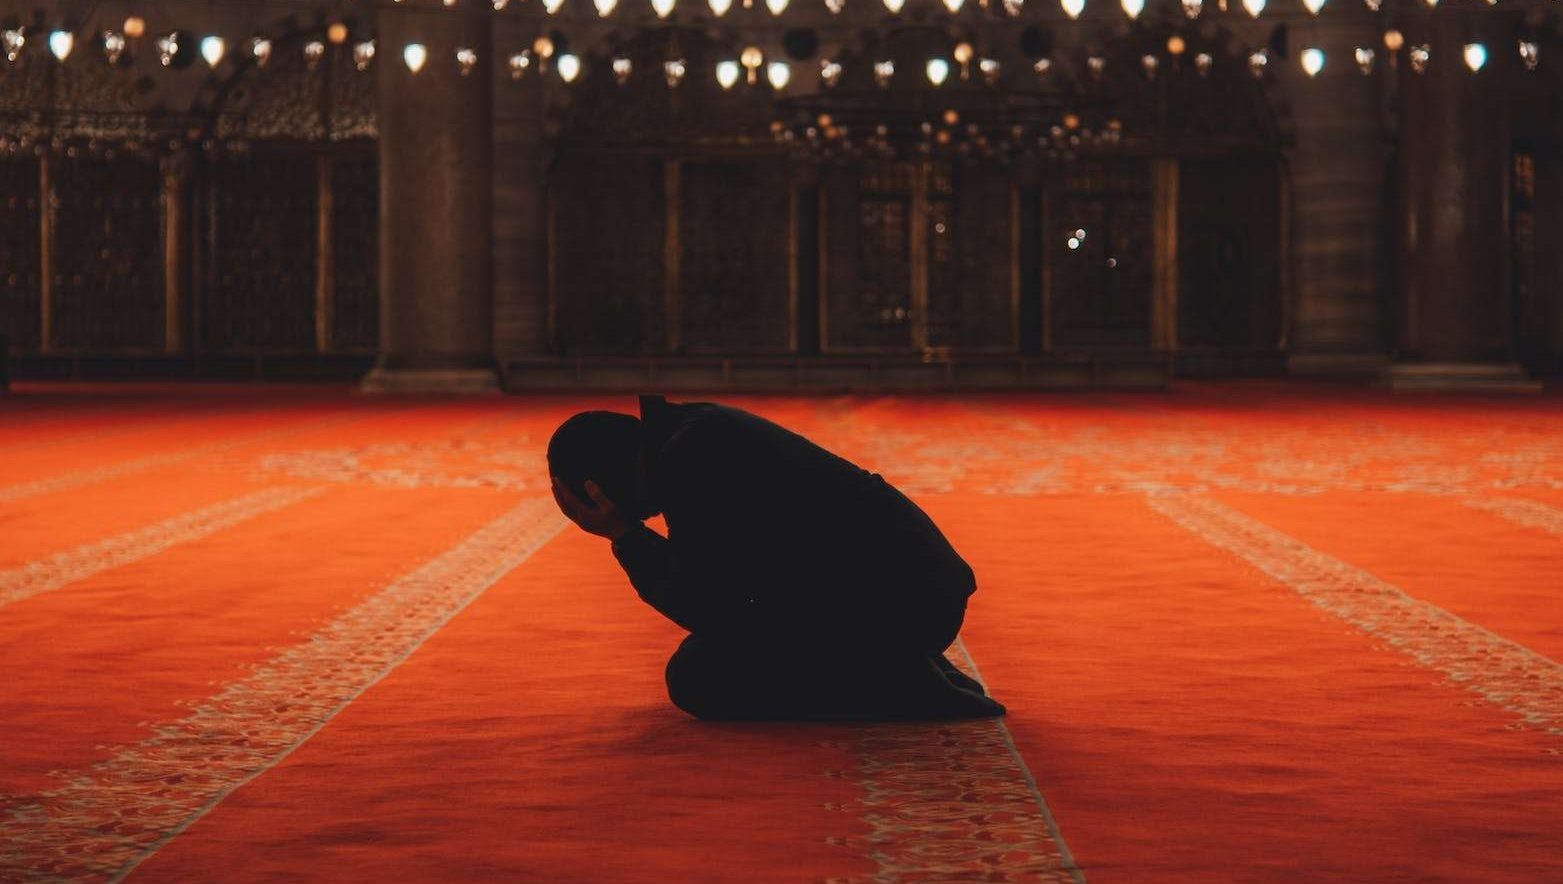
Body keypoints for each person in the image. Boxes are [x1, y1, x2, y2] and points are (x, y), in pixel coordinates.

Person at [547, 394, 1005, 721]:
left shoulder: (692, 459)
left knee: (699, 678)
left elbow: (708, 606)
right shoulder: (689, 435)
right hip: (905, 595)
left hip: (906, 609)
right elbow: (724, 590)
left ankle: (898, 685)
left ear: (598, 489)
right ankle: (895, 665)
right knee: (708, 656)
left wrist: (623, 535)